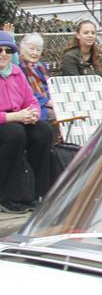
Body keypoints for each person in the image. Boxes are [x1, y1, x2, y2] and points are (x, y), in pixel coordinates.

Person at [0, 31, 53, 214]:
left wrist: (33, 114)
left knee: (43, 131)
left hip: (19, 118)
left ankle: (37, 193)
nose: (4, 54)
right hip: (6, 121)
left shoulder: (16, 72)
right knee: (15, 134)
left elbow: (30, 100)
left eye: (8, 50)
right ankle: (8, 196)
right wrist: (12, 117)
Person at [18, 34, 53, 123]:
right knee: (59, 115)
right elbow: (25, 92)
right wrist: (47, 102)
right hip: (31, 105)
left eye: (38, 50)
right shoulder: (18, 67)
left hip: (48, 101)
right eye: (31, 49)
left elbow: (48, 86)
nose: (35, 53)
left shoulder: (40, 66)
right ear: (22, 49)